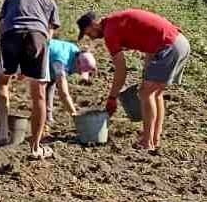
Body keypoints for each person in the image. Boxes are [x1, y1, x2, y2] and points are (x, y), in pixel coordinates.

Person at [79, 9, 190, 151]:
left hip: (169, 46)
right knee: (155, 93)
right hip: (179, 43)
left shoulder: (110, 32)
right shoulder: (116, 21)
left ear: (94, 24)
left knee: (146, 93)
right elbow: (151, 41)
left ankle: (147, 142)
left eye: (89, 33)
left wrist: (112, 97)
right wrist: (146, 74)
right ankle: (155, 139)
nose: (92, 38)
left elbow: (121, 70)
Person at [0, 0, 61, 159]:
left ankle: (3, 133)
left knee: (2, 82)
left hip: (10, 35)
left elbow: (3, 24)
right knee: (39, 93)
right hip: (37, 37)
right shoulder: (50, 1)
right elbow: (49, 35)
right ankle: (35, 147)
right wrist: (30, 64)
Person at [0, 39, 97, 128]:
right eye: (79, 70)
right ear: (77, 62)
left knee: (50, 83)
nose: (77, 73)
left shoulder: (74, 50)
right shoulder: (61, 61)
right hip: (21, 51)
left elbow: (51, 83)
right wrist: (75, 116)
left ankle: (47, 116)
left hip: (38, 57)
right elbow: (64, 93)